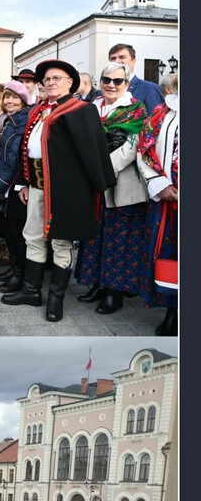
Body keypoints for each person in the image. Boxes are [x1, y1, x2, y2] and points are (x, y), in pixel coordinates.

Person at [1, 60, 116, 322]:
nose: (51, 82)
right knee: (32, 236)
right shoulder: (37, 111)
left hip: (66, 191)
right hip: (36, 186)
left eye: (57, 78)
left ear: (70, 83)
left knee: (61, 242)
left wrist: (97, 186)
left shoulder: (80, 110)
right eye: (47, 79)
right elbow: (26, 149)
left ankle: (56, 299)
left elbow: (92, 152)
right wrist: (24, 181)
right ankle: (31, 291)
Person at [74, 61, 149, 315]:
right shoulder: (90, 108)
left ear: (127, 84)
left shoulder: (136, 110)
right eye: (107, 80)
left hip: (121, 186)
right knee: (94, 237)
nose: (111, 85)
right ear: (100, 82)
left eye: (118, 81)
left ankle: (114, 294)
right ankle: (97, 283)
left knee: (118, 241)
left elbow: (132, 147)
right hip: (93, 185)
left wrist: (101, 172)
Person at [137, 72, 178, 335]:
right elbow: (145, 150)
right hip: (169, 200)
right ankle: (173, 311)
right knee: (170, 258)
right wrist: (159, 183)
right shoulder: (161, 114)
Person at [0, 80, 32, 295]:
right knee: (8, 229)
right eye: (7, 97)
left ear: (23, 100)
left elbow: (14, 156)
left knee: (16, 231)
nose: (10, 101)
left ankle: (19, 273)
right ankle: (15, 268)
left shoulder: (23, 121)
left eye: (14, 97)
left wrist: (0, 183)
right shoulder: (9, 120)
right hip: (5, 182)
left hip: (14, 184)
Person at [108, 43, 164, 115]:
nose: (117, 61)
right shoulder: (102, 93)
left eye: (122, 57)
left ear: (133, 61)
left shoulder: (149, 89)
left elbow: (155, 121)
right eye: (113, 59)